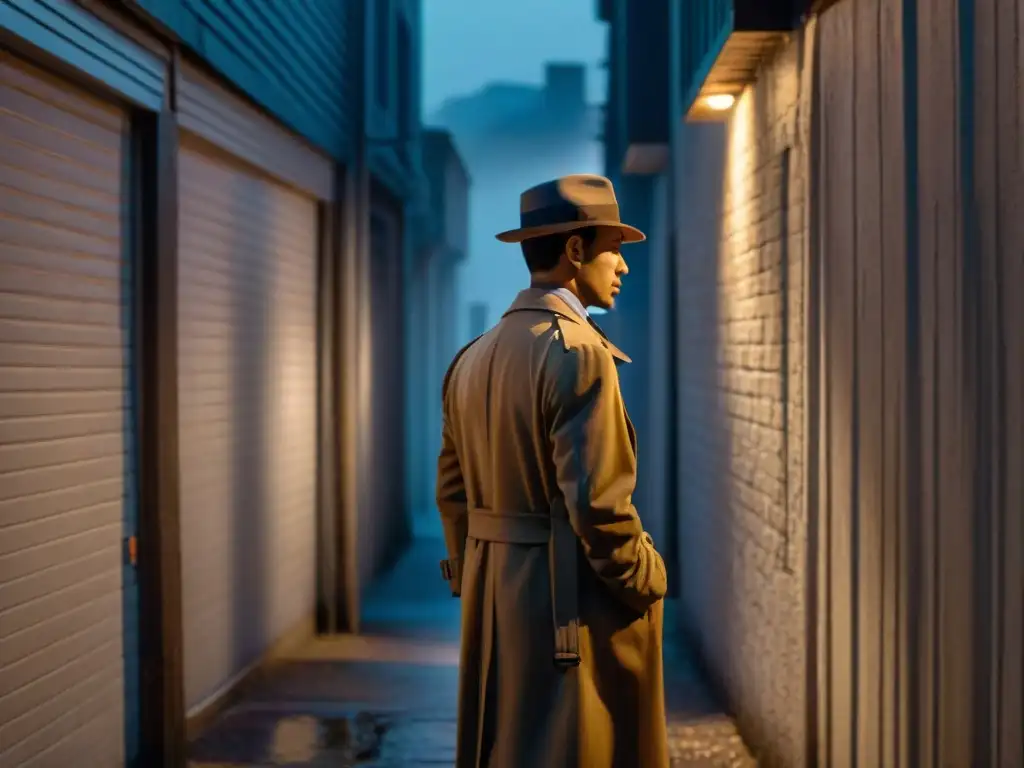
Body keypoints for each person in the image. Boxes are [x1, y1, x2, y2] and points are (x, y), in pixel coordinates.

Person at [436, 174, 669, 767]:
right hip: (567, 609)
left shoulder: (474, 356)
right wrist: (646, 578)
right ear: (574, 250)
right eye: (613, 247)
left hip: (494, 607)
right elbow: (597, 505)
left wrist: (477, 579)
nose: (622, 266)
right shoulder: (579, 353)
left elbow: (452, 492)